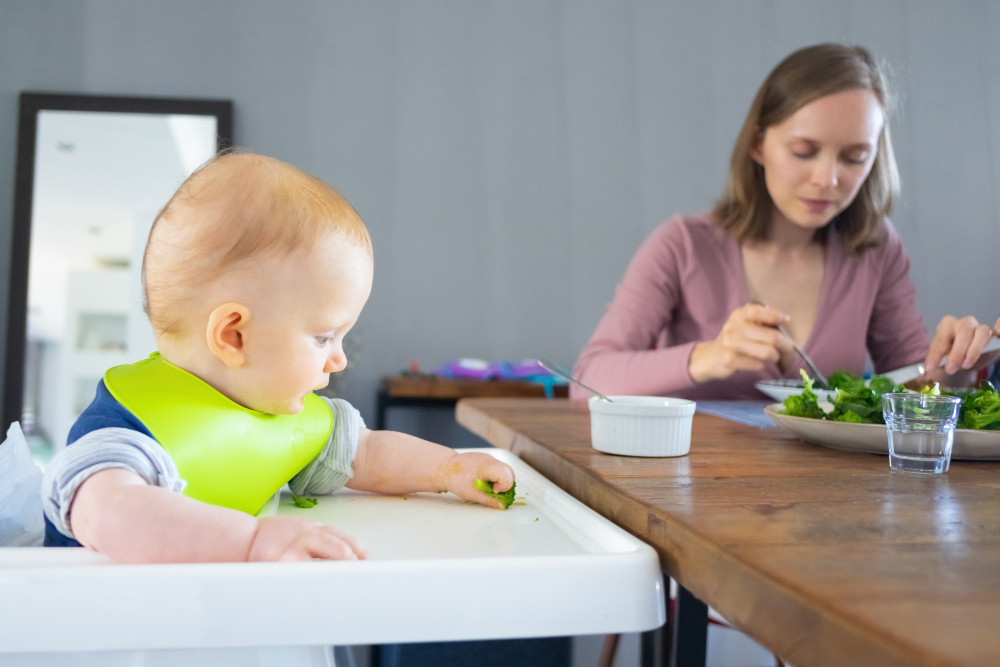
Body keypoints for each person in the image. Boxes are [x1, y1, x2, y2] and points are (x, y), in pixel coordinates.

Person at [39, 151, 515, 563]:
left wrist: (448, 469)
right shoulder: (125, 435)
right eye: (324, 337)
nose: (339, 360)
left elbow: (364, 452)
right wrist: (251, 543)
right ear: (235, 336)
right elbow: (113, 513)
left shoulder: (280, 414)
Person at [572, 43, 999, 400]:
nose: (827, 180)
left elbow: (913, 386)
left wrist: (957, 368)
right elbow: (587, 380)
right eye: (803, 151)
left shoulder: (875, 248)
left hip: (824, 494)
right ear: (758, 145)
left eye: (854, 158)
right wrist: (709, 356)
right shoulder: (682, 245)